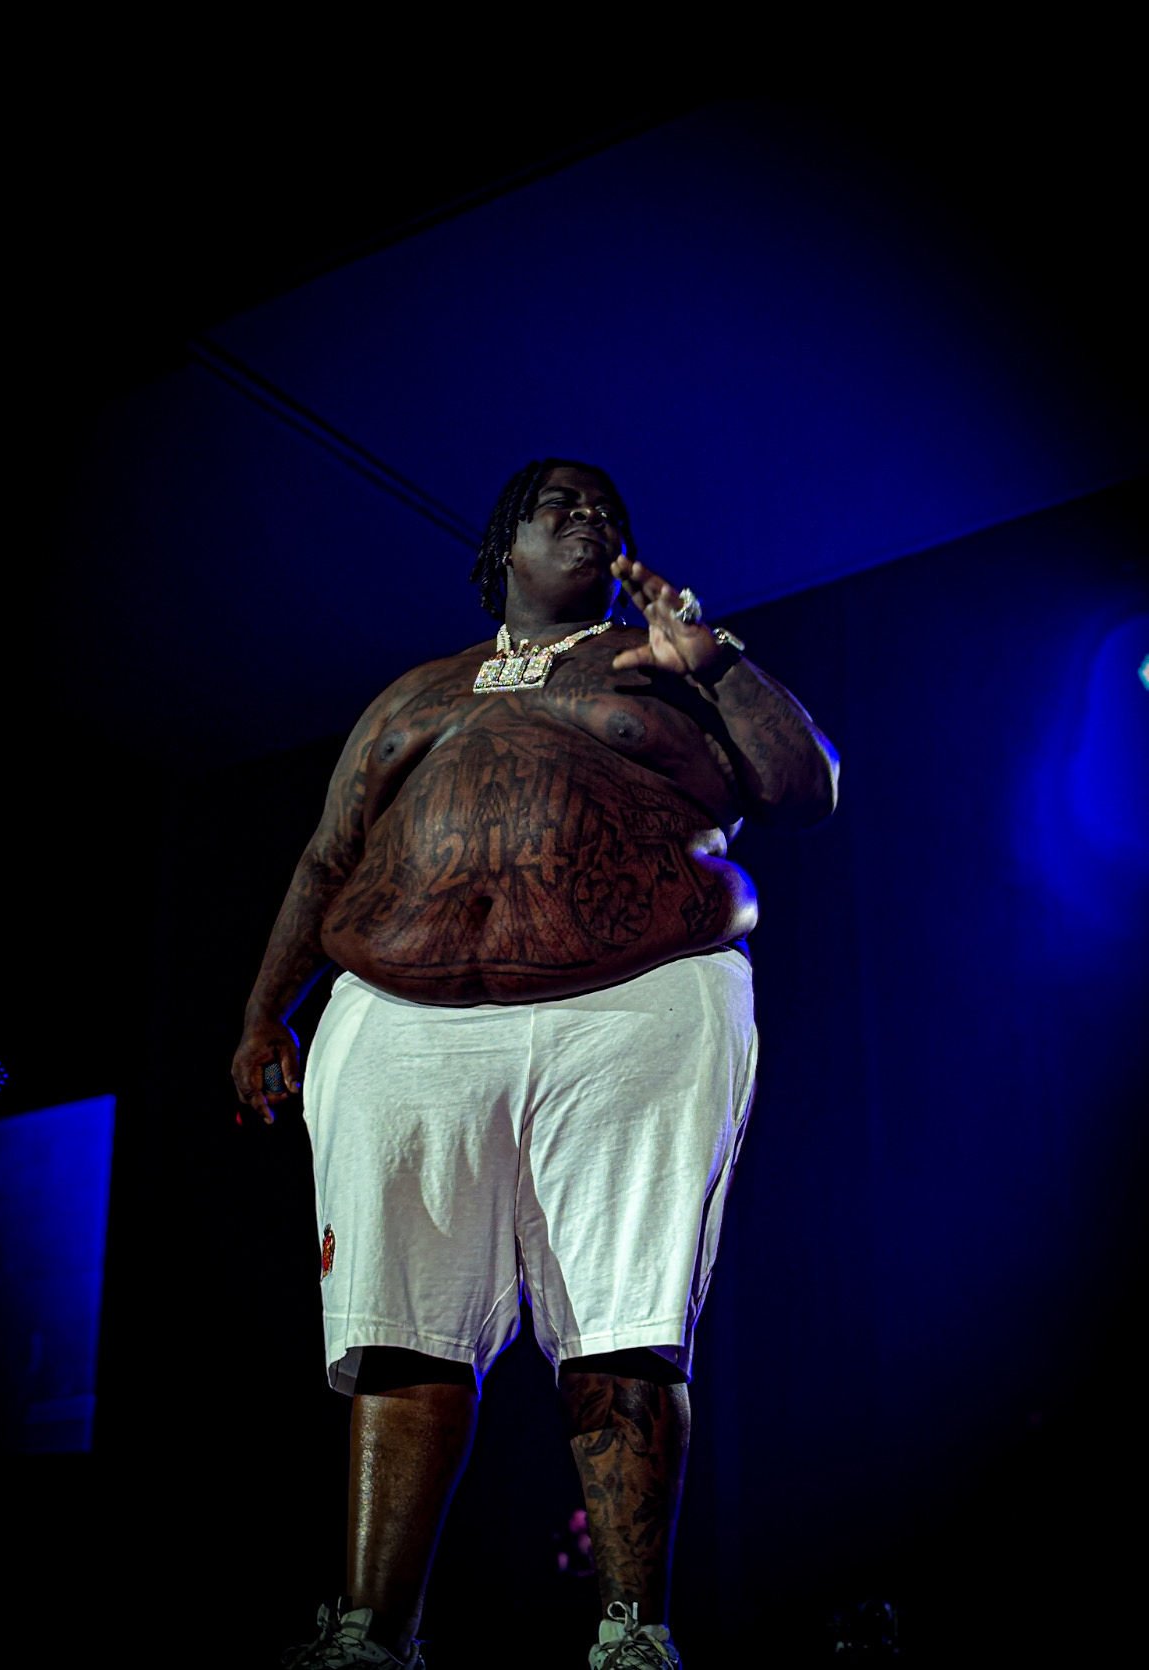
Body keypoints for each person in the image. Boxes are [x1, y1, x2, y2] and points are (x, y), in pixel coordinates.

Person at [232, 458, 839, 1669]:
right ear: (504, 542)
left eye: (606, 503)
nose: (588, 511)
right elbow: (324, 857)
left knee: (622, 1319)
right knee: (400, 1331)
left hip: (632, 1001)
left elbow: (805, 789)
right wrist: (262, 1016)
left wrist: (712, 660)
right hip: (400, 1018)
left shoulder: (661, 663)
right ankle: (370, 1631)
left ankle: (630, 1629)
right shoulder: (416, 690)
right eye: (556, 500)